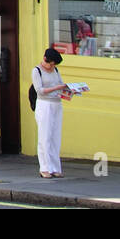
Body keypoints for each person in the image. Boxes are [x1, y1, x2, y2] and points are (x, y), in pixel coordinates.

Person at [32, 47, 71, 178]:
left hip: (56, 104)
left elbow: (60, 84)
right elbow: (40, 90)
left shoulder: (56, 70)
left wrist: (67, 90)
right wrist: (57, 87)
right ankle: (44, 167)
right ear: (45, 59)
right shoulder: (37, 71)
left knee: (55, 136)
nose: (52, 66)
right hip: (44, 104)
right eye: (51, 63)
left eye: (54, 64)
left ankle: (55, 167)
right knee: (45, 137)